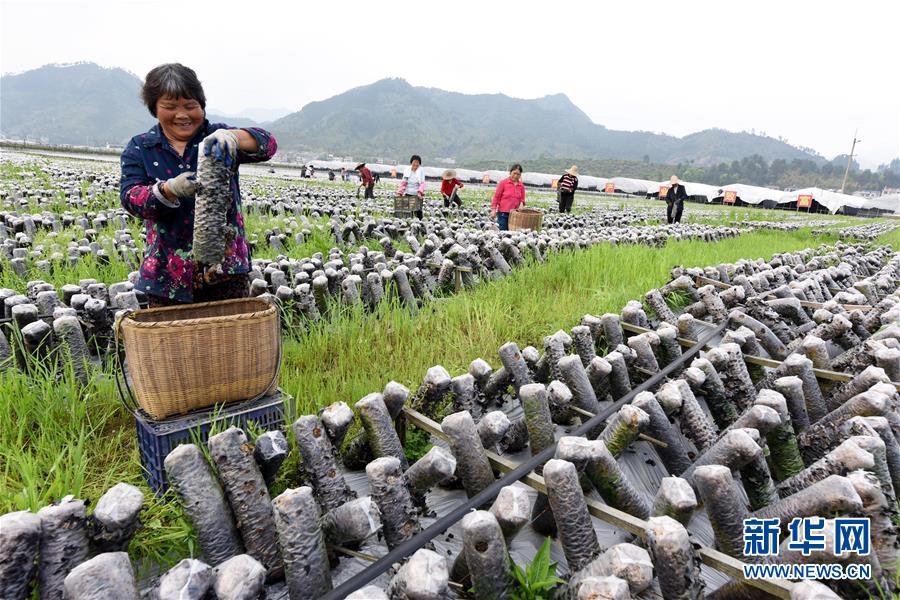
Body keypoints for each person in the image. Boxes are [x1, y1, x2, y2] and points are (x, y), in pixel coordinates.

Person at [120, 63, 277, 307]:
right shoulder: (141, 147)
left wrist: (233, 137)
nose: (182, 115)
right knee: (172, 341)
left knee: (227, 340)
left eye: (190, 106)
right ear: (155, 109)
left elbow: (267, 144)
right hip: (166, 274)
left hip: (225, 269)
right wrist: (167, 189)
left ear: (202, 105)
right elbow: (131, 197)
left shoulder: (216, 137)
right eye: (170, 107)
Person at [491, 163, 526, 231]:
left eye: (518, 174)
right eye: (514, 173)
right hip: (503, 213)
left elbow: (522, 199)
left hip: (515, 214)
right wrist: (493, 209)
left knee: (513, 232)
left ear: (520, 175)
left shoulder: (521, 186)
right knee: (503, 231)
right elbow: (496, 197)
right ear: (510, 172)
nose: (515, 176)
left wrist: (521, 204)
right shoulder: (503, 183)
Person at [397, 154, 426, 219]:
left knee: (418, 210)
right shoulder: (407, 170)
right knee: (408, 211)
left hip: (417, 194)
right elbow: (404, 182)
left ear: (419, 163)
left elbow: (422, 183)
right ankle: (409, 223)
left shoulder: (421, 171)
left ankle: (420, 223)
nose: (416, 164)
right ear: (411, 162)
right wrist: (400, 192)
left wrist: (420, 192)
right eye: (414, 162)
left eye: (417, 162)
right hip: (408, 193)